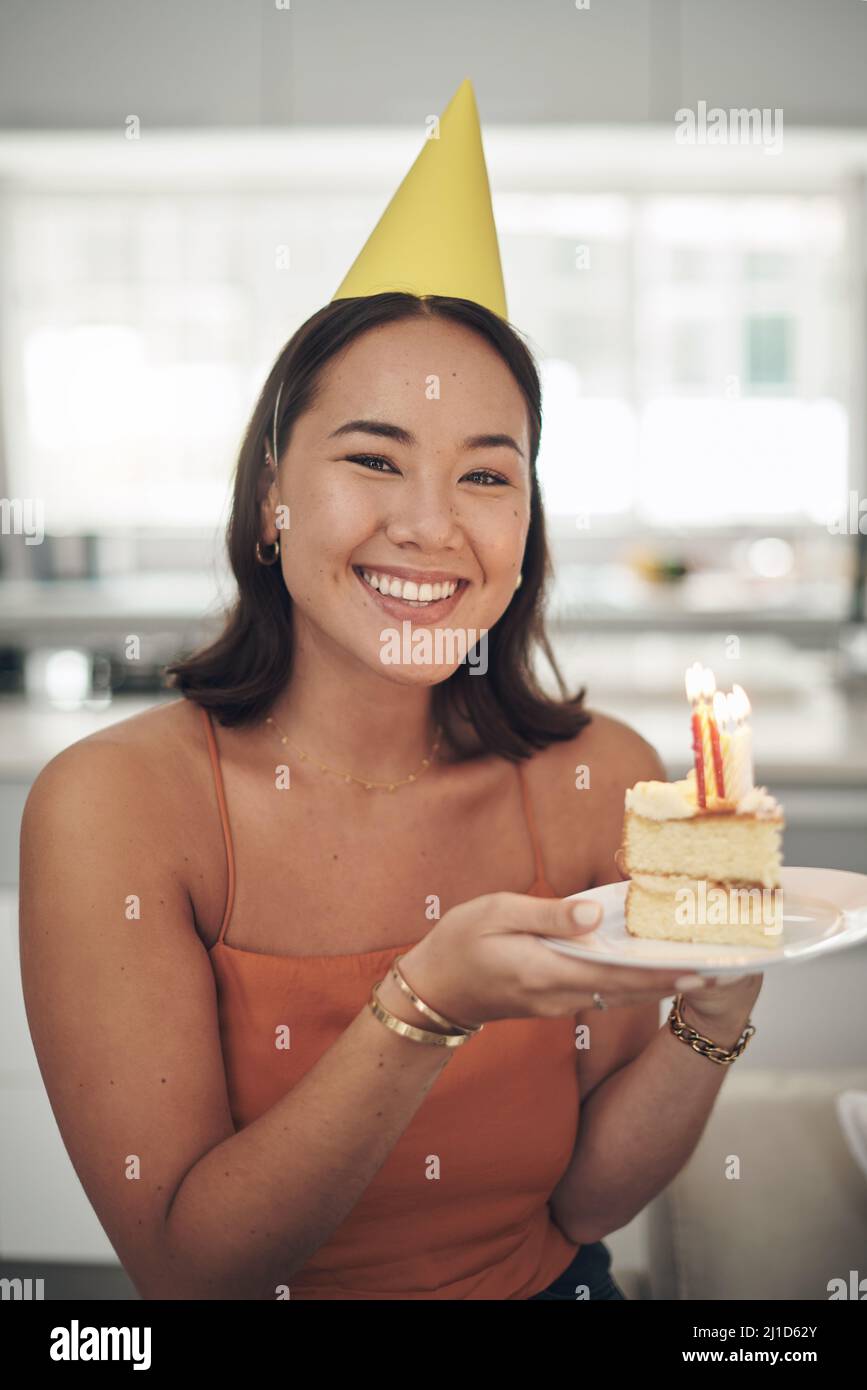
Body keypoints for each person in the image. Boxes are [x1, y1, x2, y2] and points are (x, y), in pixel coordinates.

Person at [18, 82, 761, 1302]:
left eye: (486, 474)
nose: (429, 526)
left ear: (526, 521)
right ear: (274, 496)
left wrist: (722, 999)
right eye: (373, 458)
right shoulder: (115, 805)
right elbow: (189, 1273)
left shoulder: (603, 780)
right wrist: (424, 1006)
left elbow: (586, 1203)